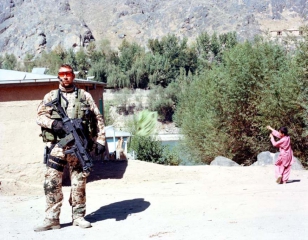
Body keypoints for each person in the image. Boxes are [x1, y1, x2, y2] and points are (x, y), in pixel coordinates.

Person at [34, 64, 106, 231]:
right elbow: (39, 116)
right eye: (62, 74)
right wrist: (54, 124)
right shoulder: (51, 96)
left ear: (73, 76)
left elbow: (98, 117)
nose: (65, 77)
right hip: (58, 146)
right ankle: (52, 219)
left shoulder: (84, 96)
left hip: (78, 146)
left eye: (68, 74)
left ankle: (78, 216)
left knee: (79, 182)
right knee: (51, 182)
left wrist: (101, 140)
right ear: (59, 76)